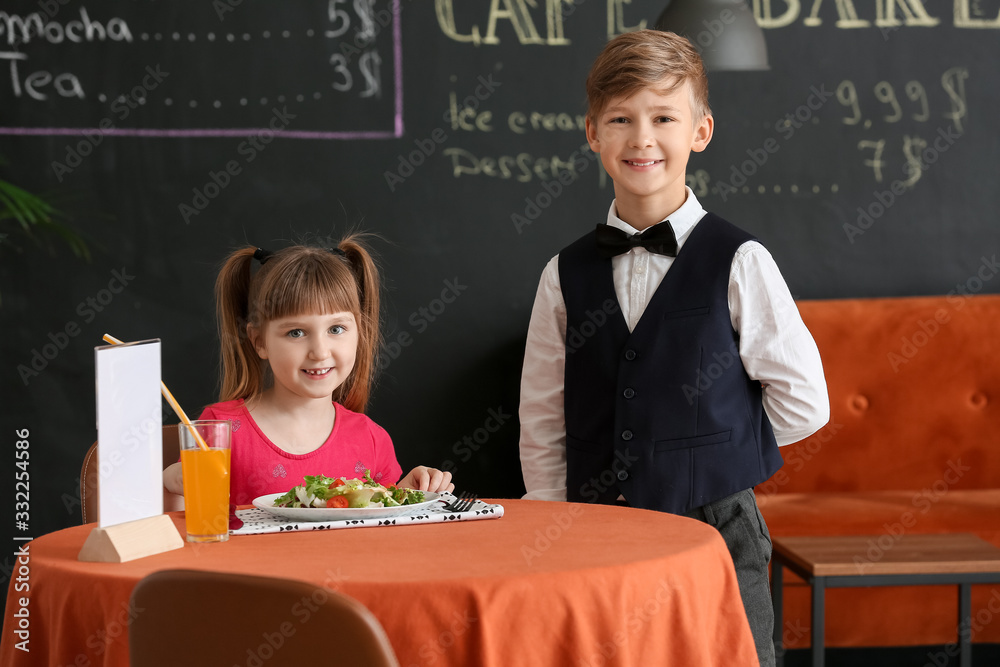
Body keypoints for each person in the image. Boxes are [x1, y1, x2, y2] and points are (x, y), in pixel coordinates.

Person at [518, 30, 829, 667]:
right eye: (621, 120)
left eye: (663, 117)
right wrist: (551, 521)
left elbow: (805, 402)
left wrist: (708, 450)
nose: (642, 139)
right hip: (593, 525)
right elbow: (543, 414)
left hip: (717, 526)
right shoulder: (563, 273)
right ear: (592, 134)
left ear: (700, 131)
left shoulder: (741, 260)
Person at [164, 236, 454, 505]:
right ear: (259, 342)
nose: (320, 351)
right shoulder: (219, 430)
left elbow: (382, 521)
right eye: (296, 333)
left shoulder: (371, 438)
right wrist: (169, 483)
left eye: (336, 329)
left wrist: (411, 491)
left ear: (360, 332)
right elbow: (187, 521)